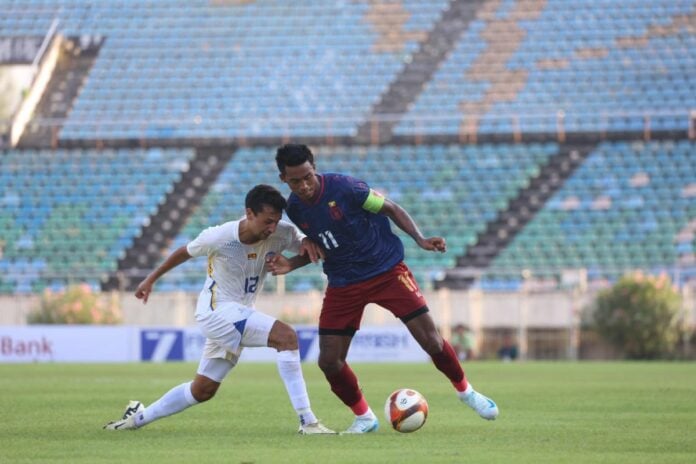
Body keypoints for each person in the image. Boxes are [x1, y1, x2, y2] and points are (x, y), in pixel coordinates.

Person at [269, 144, 498, 434]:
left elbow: (391, 208)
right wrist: (294, 261)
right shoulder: (296, 209)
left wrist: (420, 238)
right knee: (328, 361)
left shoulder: (347, 188)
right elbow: (323, 243)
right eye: (295, 181)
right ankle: (365, 417)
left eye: (308, 177)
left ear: (314, 167)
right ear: (283, 179)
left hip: (386, 271)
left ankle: (467, 392)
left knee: (432, 341)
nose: (304, 186)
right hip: (343, 282)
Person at [103, 184, 334, 435]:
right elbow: (183, 252)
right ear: (249, 213)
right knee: (286, 337)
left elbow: (309, 249)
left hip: (239, 313)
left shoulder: (281, 233)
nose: (272, 228)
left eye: (276, 221)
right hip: (216, 311)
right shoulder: (220, 236)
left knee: (202, 390)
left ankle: (136, 419)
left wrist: (292, 262)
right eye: (268, 221)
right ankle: (308, 422)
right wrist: (150, 280)